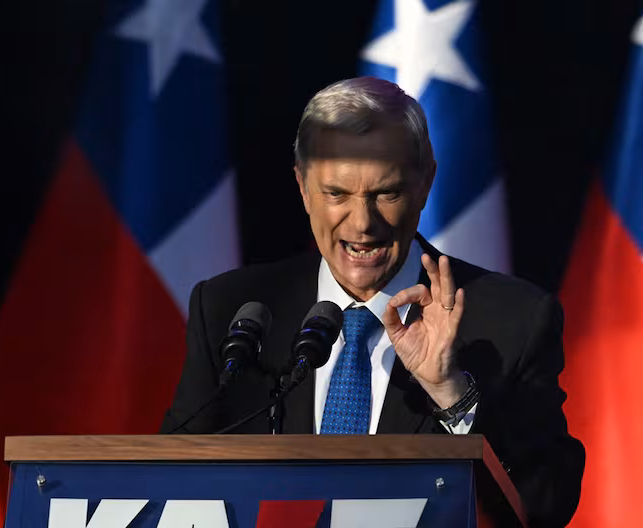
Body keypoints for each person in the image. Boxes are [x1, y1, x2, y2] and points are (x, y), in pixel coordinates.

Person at [161, 76, 585, 527]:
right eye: (337, 194)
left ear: (425, 184)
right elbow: (167, 484)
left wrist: (451, 394)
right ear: (303, 187)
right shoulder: (230, 311)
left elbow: (546, 504)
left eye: (387, 193)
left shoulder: (512, 320)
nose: (363, 223)